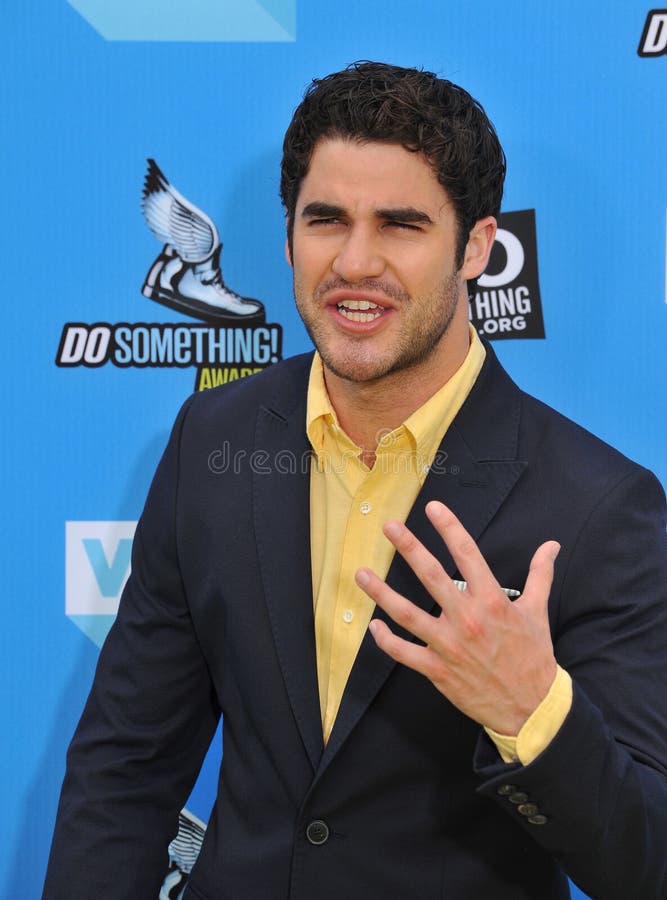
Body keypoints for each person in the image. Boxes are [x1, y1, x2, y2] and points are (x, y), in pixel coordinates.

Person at [43, 61, 667, 900]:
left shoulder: (596, 504)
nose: (355, 262)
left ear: (476, 246)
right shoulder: (213, 442)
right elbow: (126, 765)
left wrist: (532, 713)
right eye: (325, 220)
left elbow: (644, 861)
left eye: (401, 225)